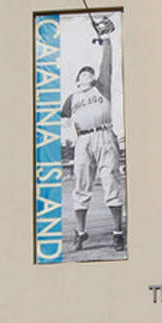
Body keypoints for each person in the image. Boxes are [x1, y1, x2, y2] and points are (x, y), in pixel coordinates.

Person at [61, 15, 125, 252]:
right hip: (82, 140)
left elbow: (106, 65)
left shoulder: (102, 86)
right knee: (81, 185)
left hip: (104, 135)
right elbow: (63, 120)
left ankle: (118, 232)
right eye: (83, 73)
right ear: (78, 79)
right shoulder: (72, 98)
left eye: (90, 72)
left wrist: (105, 40)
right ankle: (80, 233)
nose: (87, 74)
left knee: (110, 182)